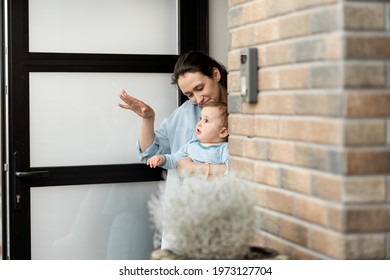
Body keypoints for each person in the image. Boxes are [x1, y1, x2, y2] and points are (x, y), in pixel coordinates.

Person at [118, 51, 228, 250]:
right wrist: (147, 118)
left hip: (223, 216)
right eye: (190, 94)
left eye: (200, 88)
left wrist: (199, 170)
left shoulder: (239, 113)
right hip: (182, 217)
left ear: (215, 74)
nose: (197, 99)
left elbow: (244, 167)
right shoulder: (185, 113)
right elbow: (150, 154)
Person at [146, 101, 228, 179]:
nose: (199, 123)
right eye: (200, 118)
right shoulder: (191, 145)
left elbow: (232, 172)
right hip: (188, 192)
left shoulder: (224, 149)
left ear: (223, 132)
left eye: (206, 120)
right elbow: (175, 160)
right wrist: (162, 159)